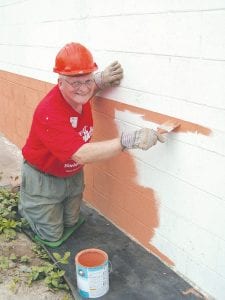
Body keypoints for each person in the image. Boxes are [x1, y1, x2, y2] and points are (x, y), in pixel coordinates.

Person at [19, 42, 165, 242]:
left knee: (72, 222)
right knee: (52, 236)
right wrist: (129, 140)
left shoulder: (80, 92)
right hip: (44, 178)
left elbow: (85, 90)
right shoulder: (49, 113)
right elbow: (81, 153)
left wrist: (101, 81)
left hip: (72, 174)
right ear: (60, 82)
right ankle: (28, 205)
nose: (83, 89)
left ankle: (45, 209)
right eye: (75, 82)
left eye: (87, 80)